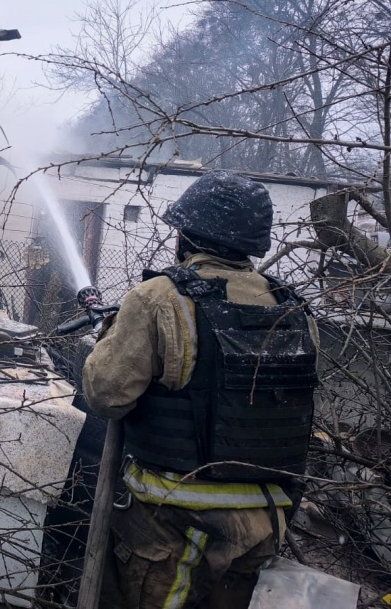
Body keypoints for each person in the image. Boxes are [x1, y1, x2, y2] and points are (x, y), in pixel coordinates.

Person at [82, 170, 318, 609]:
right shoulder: (294, 310)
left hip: (174, 524)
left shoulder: (159, 298)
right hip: (262, 525)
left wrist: (111, 337)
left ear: (186, 236)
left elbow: (106, 396)